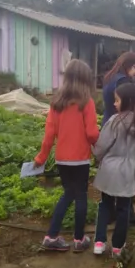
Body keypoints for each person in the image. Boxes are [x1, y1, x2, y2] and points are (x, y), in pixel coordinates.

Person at [34, 59, 99, 253]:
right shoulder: (87, 103)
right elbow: (92, 133)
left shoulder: (57, 103)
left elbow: (48, 136)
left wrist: (41, 158)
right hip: (80, 158)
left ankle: (51, 236)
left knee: (68, 194)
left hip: (62, 159)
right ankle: (79, 239)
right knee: (80, 196)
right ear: (85, 79)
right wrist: (100, 146)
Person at [92, 82, 135, 257]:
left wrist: (95, 155)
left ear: (127, 101)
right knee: (124, 208)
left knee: (105, 205)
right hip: (128, 170)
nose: (114, 104)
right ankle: (118, 247)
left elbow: (102, 146)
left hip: (110, 169)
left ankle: (99, 242)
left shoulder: (114, 121)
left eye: (117, 100)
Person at [101, 51, 135, 127]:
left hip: (109, 122)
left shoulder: (112, 77)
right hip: (120, 126)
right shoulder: (123, 81)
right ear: (127, 65)